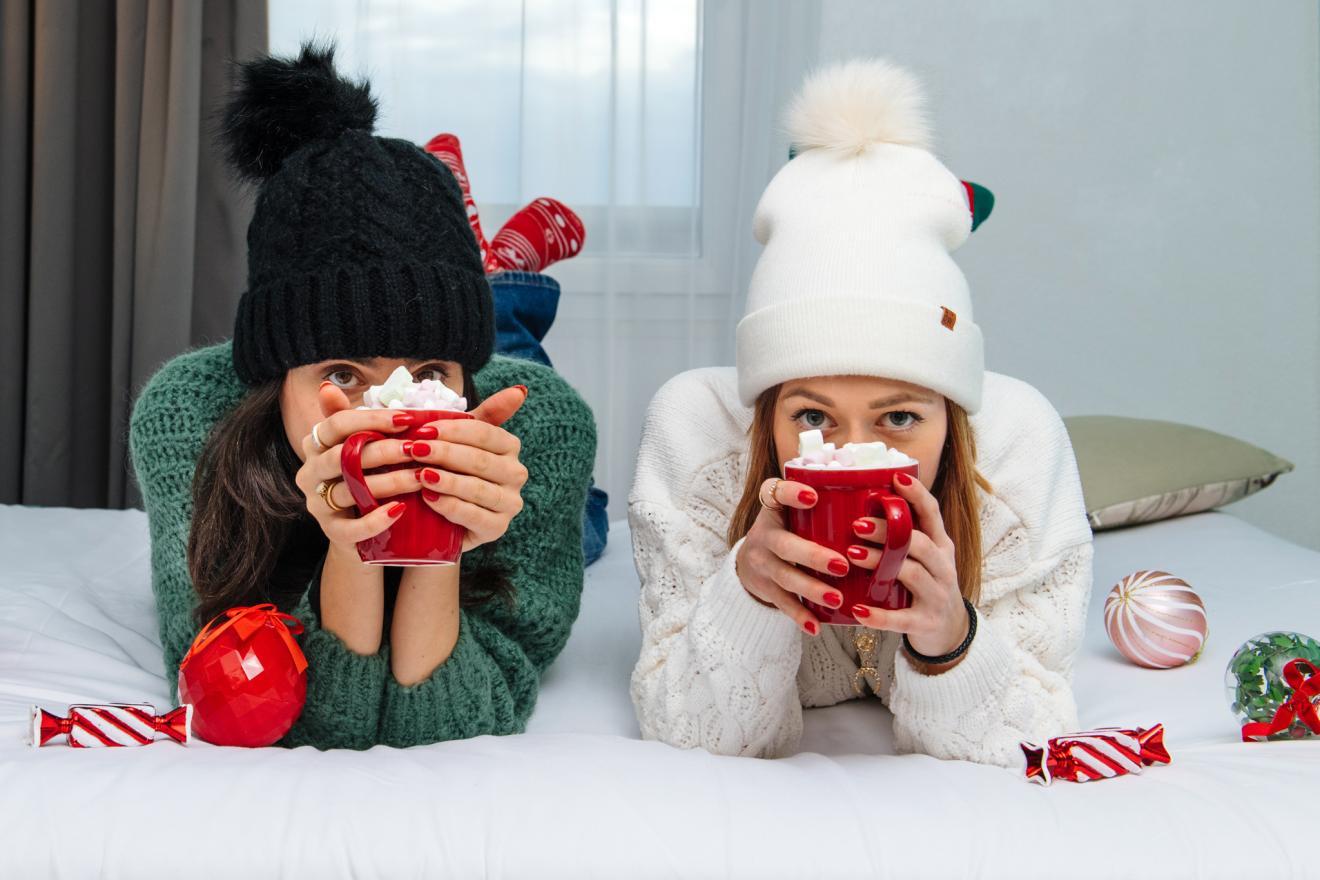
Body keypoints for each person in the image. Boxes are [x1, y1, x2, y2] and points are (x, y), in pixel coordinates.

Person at [129, 44, 596, 750]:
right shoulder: (188, 415)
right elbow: (255, 706)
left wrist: (441, 543)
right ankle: (487, 269)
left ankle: (501, 280)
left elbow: (464, 718)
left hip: (504, 392)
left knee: (584, 517)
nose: (386, 409)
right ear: (273, 375)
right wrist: (353, 546)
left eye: (429, 372)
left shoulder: (543, 425)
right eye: (344, 373)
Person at [628, 58, 1093, 765]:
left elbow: (1032, 735)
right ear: (767, 412)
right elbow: (686, 730)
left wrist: (951, 637)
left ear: (951, 413)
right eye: (812, 416)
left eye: (900, 418)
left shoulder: (1017, 443)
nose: (850, 447)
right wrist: (749, 595)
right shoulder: (698, 431)